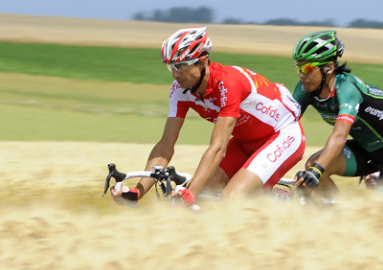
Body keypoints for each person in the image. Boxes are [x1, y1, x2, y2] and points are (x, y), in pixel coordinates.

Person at [111, 26, 306, 207]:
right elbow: (165, 145)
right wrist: (138, 192)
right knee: (207, 197)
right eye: (171, 67)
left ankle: (281, 203)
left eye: (181, 66)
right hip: (246, 142)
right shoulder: (180, 90)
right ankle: (272, 196)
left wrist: (189, 194)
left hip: (283, 135)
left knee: (231, 199)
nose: (175, 75)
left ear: (202, 62)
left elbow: (218, 148)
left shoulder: (228, 83)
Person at [290, 30, 383, 197]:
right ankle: (335, 214)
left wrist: (315, 172)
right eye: (298, 67)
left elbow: (340, 135)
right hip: (365, 147)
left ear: (329, 68)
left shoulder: (346, 88)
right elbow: (284, 122)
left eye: (308, 67)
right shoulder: (305, 88)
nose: (302, 74)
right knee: (313, 164)